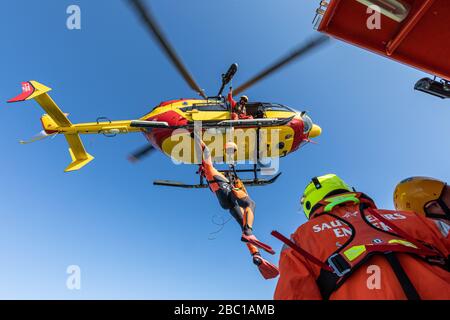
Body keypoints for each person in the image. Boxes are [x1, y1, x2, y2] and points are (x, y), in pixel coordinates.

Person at [273, 174, 450, 300]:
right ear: (346, 189)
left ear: (310, 204)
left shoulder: (300, 240)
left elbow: (293, 294)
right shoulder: (411, 218)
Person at [194, 132, 279, 279]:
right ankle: (248, 232)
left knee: (243, 224)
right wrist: (196, 136)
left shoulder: (211, 176)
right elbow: (206, 151)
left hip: (227, 202)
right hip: (228, 194)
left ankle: (256, 256)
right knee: (250, 204)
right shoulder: (210, 170)